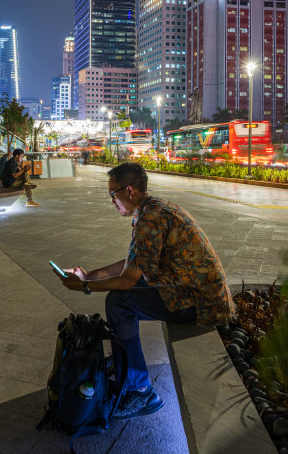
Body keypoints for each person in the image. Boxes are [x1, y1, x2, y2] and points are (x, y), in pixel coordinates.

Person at [56, 162, 234, 420]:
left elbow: (128, 280)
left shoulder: (151, 218)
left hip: (201, 302)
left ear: (129, 191)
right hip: (191, 289)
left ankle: (140, 391)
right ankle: (125, 365)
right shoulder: (152, 209)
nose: (112, 201)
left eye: (112, 194)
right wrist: (91, 275)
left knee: (119, 302)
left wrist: (85, 286)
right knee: (124, 294)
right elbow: (135, 262)